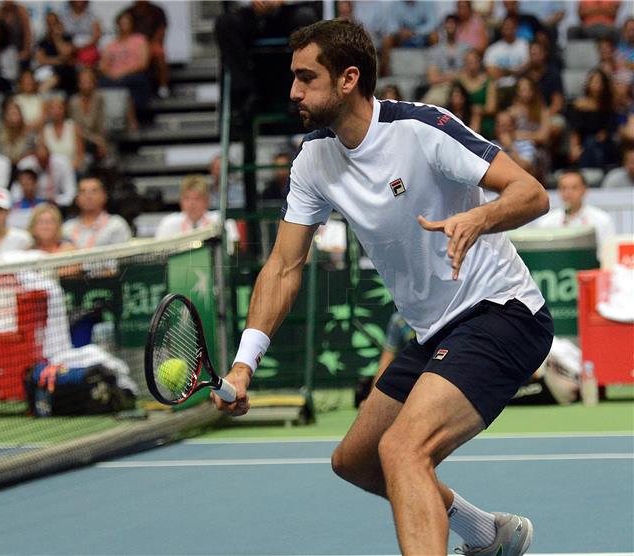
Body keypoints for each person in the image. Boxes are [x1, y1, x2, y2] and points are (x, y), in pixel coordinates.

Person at [214, 20, 553, 556]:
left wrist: (480, 218)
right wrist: (243, 363)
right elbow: (283, 266)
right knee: (355, 461)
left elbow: (531, 193)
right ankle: (490, 536)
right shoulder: (313, 160)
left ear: (348, 79)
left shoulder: (420, 129)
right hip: (433, 329)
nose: (293, 92)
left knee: (403, 449)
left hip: (500, 311)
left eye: (307, 78)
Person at [536, 170, 615, 259]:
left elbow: (608, 253)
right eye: (563, 188)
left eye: (574, 188)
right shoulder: (547, 221)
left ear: (585, 190)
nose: (568, 192)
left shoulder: (602, 219)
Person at [567, 69, 618, 168]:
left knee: (597, 144)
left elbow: (610, 127)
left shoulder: (609, 105)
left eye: (600, 82)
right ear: (588, 83)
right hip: (584, 142)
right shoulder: (579, 105)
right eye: (594, 81)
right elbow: (575, 130)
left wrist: (603, 135)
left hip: (604, 142)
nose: (597, 85)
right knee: (589, 143)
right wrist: (575, 147)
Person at [62, 176, 131, 248]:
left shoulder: (116, 224)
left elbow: (124, 257)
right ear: (76, 198)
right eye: (83, 191)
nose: (88, 196)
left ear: (104, 196)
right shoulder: (67, 228)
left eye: (94, 191)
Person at [423, 14, 470, 106]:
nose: (451, 26)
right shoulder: (434, 51)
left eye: (453, 23)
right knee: (427, 104)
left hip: (464, 86)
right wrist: (456, 76)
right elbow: (432, 79)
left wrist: (445, 76)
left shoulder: (466, 49)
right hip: (441, 87)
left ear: (458, 27)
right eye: (448, 23)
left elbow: (470, 72)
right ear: (444, 26)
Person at [15, 141, 76, 208]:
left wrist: (56, 200)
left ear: (50, 155)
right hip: (30, 203)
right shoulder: (25, 165)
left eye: (45, 160)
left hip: (57, 204)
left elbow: (70, 192)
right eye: (40, 160)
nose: (43, 164)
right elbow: (16, 190)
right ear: (34, 156)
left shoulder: (62, 163)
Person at [129, 0, 170, 98]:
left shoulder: (158, 11)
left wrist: (149, 45)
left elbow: (161, 31)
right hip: (134, 46)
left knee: (159, 53)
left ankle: (163, 87)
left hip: (152, 44)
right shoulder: (128, 12)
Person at [69, 67, 109, 162]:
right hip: (79, 139)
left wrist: (101, 141)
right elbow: (76, 129)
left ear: (94, 83)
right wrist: (97, 141)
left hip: (97, 139)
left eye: (89, 81)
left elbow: (102, 124)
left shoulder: (99, 99)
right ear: (79, 84)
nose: (86, 85)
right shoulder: (73, 102)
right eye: (83, 82)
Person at [456, 49, 497, 139]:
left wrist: (479, 110)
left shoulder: (488, 81)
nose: (472, 66)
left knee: (477, 116)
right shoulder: (459, 80)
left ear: (479, 63)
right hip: (462, 118)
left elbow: (491, 108)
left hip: (484, 119)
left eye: (474, 62)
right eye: (469, 62)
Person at [483, 16, 529, 92]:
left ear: (516, 28)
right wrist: (515, 71)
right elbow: (491, 72)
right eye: (506, 27)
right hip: (498, 88)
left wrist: (505, 71)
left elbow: (527, 67)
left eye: (511, 27)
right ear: (501, 29)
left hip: (521, 87)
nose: (509, 30)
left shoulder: (525, 45)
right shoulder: (492, 49)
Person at [42, 96, 85, 171]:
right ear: (49, 111)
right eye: (53, 108)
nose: (56, 111)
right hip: (52, 171)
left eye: (59, 108)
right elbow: (43, 155)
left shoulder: (73, 126)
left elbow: (80, 155)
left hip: (73, 168)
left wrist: (71, 168)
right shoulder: (45, 130)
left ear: (64, 110)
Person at [493, 111, 537, 176]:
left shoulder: (526, 144)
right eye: (501, 126)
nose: (504, 129)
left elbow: (525, 168)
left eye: (508, 126)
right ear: (496, 128)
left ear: (514, 127)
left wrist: (510, 147)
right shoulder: (491, 145)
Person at [0, 98, 36, 167]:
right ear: (5, 116)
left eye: (16, 114)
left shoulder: (29, 133)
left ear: (21, 116)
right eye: (11, 114)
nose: (13, 118)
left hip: (23, 166)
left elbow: (31, 152)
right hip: (3, 166)